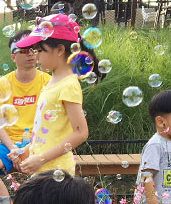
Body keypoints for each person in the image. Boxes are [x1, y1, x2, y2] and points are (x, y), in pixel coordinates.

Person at [7, 13, 101, 176]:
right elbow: (48, 130)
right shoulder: (52, 81)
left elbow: (81, 132)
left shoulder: (68, 85)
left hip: (57, 171)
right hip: (43, 169)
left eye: (40, 51)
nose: (35, 56)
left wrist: (41, 159)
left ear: (59, 50)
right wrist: (26, 149)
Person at [0, 30, 51, 196]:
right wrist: (14, 150)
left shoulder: (47, 81)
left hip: (38, 143)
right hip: (8, 145)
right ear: (13, 57)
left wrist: (26, 149)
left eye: (34, 49)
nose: (31, 54)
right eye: (24, 51)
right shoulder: (2, 84)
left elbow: (50, 122)